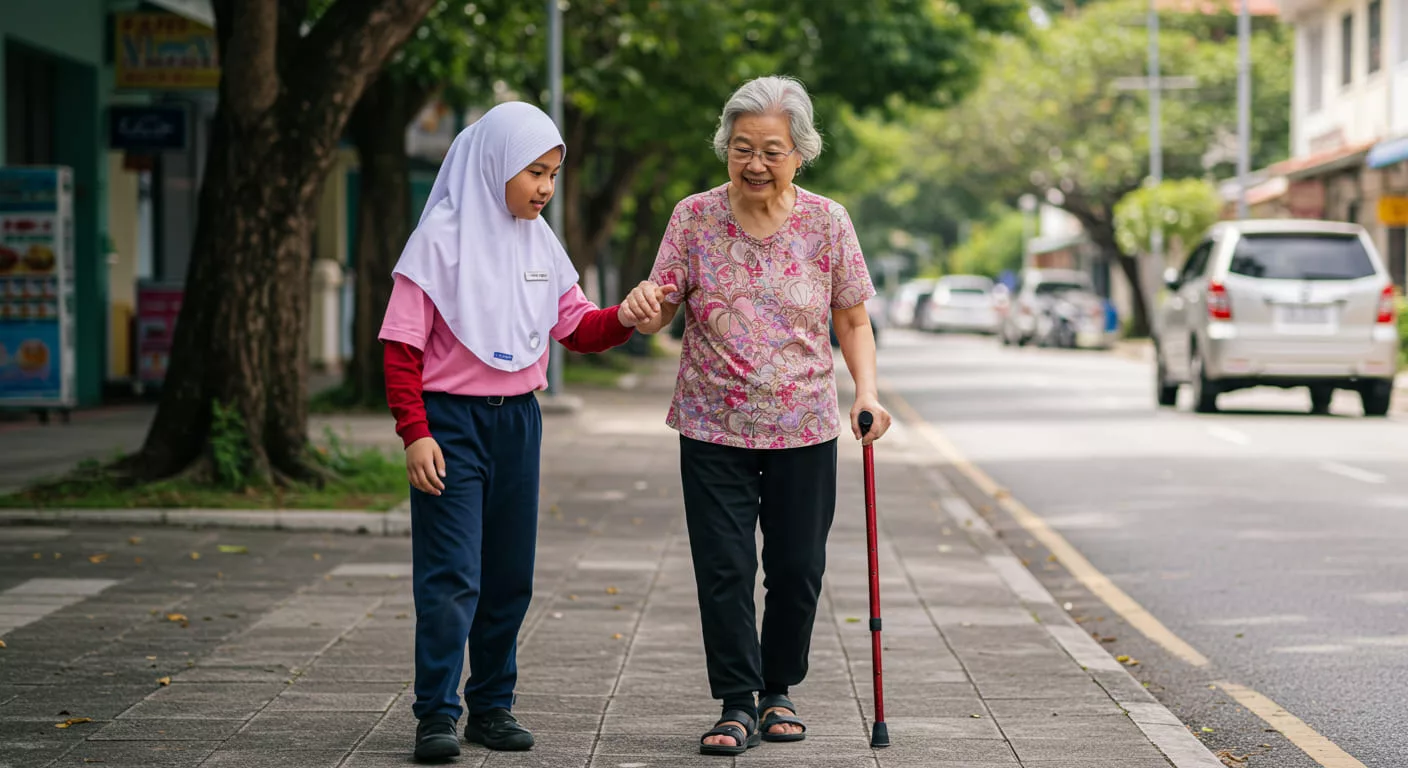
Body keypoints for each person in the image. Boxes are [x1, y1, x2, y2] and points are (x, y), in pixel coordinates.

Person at [379, 101, 669, 763]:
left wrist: (625, 315)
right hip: (449, 422)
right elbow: (401, 349)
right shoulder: (438, 241)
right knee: (452, 575)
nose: (544, 187)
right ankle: (436, 715)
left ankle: (492, 708)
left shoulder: (541, 243)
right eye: (534, 171)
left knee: (510, 574)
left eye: (553, 174)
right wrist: (415, 433)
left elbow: (578, 329)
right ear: (495, 166)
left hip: (518, 422)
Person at [624, 75, 893, 756]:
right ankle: (737, 701)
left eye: (771, 151)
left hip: (803, 423)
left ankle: (780, 688)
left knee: (799, 567)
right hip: (712, 421)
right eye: (741, 148)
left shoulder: (827, 223)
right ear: (725, 148)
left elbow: (854, 319)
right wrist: (645, 309)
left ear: (800, 152)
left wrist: (866, 392)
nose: (754, 164)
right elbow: (661, 302)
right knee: (725, 565)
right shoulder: (693, 217)